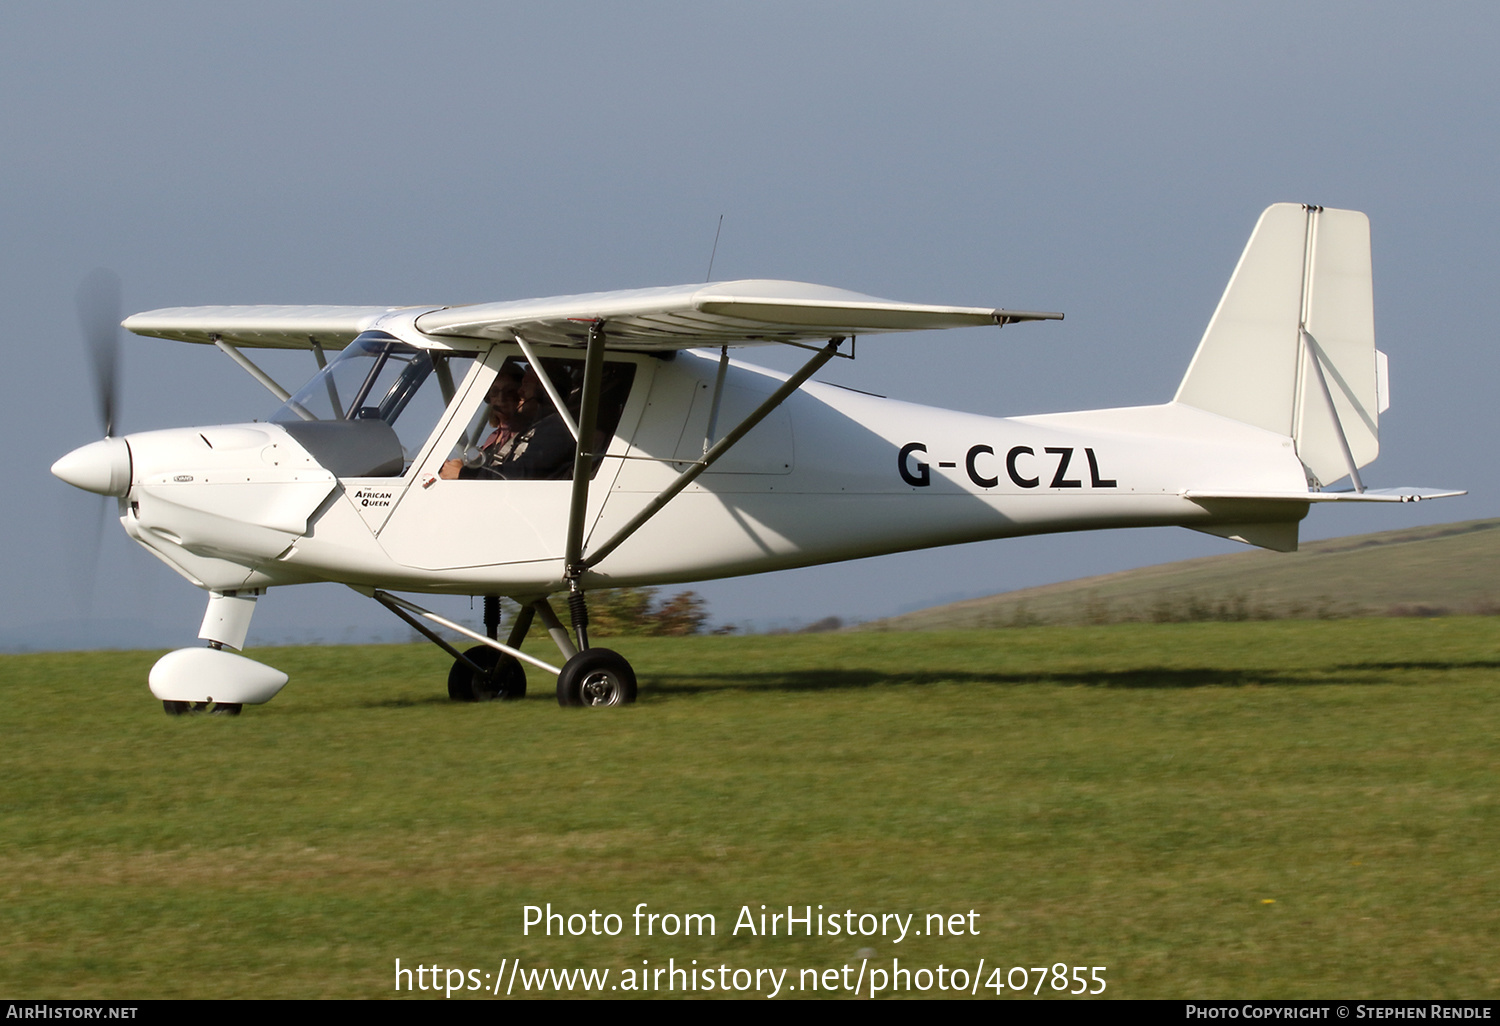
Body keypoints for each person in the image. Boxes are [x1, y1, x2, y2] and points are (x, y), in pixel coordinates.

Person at [438, 369, 526, 480]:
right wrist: (451, 469)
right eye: (494, 392)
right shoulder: (492, 439)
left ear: (521, 395)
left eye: (509, 392)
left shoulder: (528, 435)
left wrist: (463, 473)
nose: (501, 399)